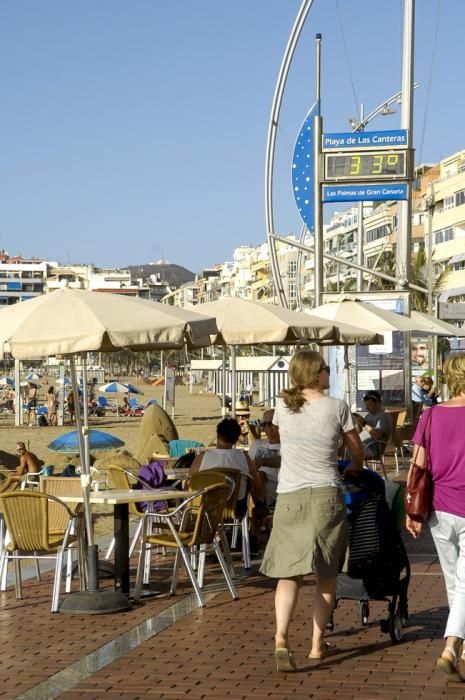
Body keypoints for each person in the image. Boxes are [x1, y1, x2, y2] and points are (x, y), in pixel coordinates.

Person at [260, 350, 364, 672]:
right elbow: (356, 448)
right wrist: (356, 465)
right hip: (324, 495)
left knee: (288, 574)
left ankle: (280, 636)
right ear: (316, 373)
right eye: (326, 369)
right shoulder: (337, 407)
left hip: (289, 495)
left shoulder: (283, 406)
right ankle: (317, 644)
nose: (329, 373)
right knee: (326, 574)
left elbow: (275, 435)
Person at [406, 353, 465, 683]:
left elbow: (418, 466)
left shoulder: (430, 416)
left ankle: (459, 645)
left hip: (440, 508)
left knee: (454, 579)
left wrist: (410, 510)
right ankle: (451, 645)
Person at [190, 417, 265, 553]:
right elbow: (256, 484)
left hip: (206, 509)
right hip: (235, 508)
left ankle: (208, 537)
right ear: (236, 438)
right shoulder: (244, 458)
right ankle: (254, 534)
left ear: (217, 434)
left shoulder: (202, 458)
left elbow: (189, 484)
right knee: (254, 496)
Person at [248, 408, 281, 507]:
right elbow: (249, 466)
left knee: (260, 475)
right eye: (264, 424)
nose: (267, 428)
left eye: (271, 424)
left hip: (276, 485)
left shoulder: (288, 446)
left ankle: (258, 510)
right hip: (255, 484)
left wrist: (262, 462)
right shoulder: (256, 444)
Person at [354, 390, 392, 459]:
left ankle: (350, 468)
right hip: (363, 444)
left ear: (377, 403)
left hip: (372, 449)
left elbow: (377, 435)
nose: (367, 407)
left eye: (369, 405)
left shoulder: (384, 416)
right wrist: (357, 423)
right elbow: (359, 432)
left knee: (349, 448)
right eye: (366, 405)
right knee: (344, 444)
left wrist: (364, 423)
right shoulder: (368, 415)